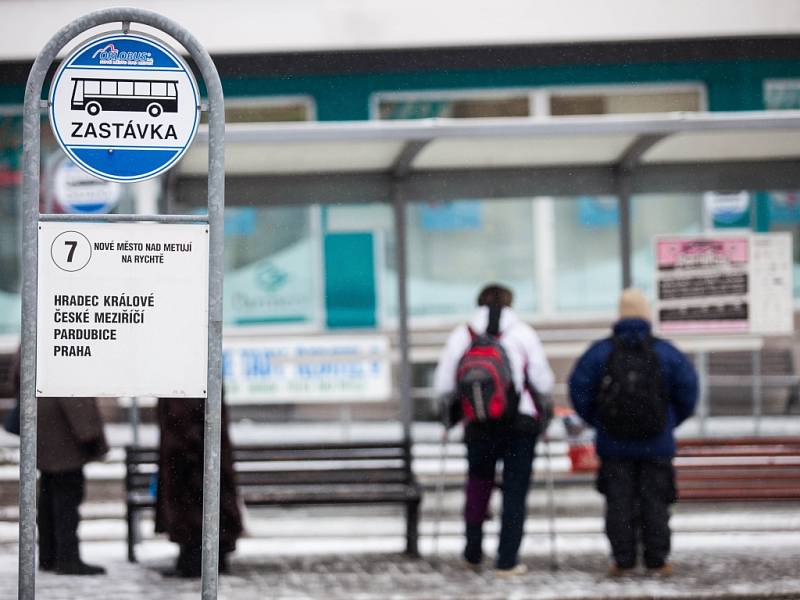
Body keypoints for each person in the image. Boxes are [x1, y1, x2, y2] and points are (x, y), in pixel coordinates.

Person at [568, 288, 698, 577]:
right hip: (657, 442)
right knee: (656, 502)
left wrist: (599, 420)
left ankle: (623, 560)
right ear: (646, 313)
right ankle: (657, 560)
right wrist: (668, 420)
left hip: (614, 444)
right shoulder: (666, 351)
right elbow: (689, 391)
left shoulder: (600, 351)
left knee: (619, 503)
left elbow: (579, 389)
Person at [434, 284, 554, 575]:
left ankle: (472, 552)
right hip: (520, 423)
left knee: (478, 485)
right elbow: (543, 381)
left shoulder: (461, 335)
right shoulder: (524, 333)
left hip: (477, 423)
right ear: (510, 303)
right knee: (515, 490)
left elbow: (443, 384)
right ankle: (507, 560)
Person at [11, 349, 109, 575]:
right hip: (63, 434)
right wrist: (90, 434)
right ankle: (67, 558)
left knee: (48, 495)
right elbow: (73, 393)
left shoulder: (32, 335)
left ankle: (49, 555)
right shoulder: (62, 343)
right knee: (66, 498)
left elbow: (17, 378)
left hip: (44, 426)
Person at [155, 394, 243, 578]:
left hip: (191, 465)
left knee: (195, 514)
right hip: (198, 462)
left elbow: (182, 422)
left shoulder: (190, 384)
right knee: (203, 512)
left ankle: (196, 560)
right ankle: (200, 559)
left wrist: (183, 453)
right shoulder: (201, 381)